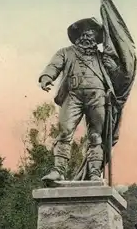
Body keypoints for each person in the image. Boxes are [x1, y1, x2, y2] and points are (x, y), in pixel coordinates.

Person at [38, 17, 119, 184]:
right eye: (86, 31)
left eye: (93, 32)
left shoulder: (102, 57)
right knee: (64, 131)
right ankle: (58, 170)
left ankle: (95, 173)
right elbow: (54, 65)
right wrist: (46, 77)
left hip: (97, 96)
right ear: (79, 34)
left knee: (96, 136)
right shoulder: (66, 53)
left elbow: (117, 75)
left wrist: (113, 62)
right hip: (72, 95)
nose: (89, 35)